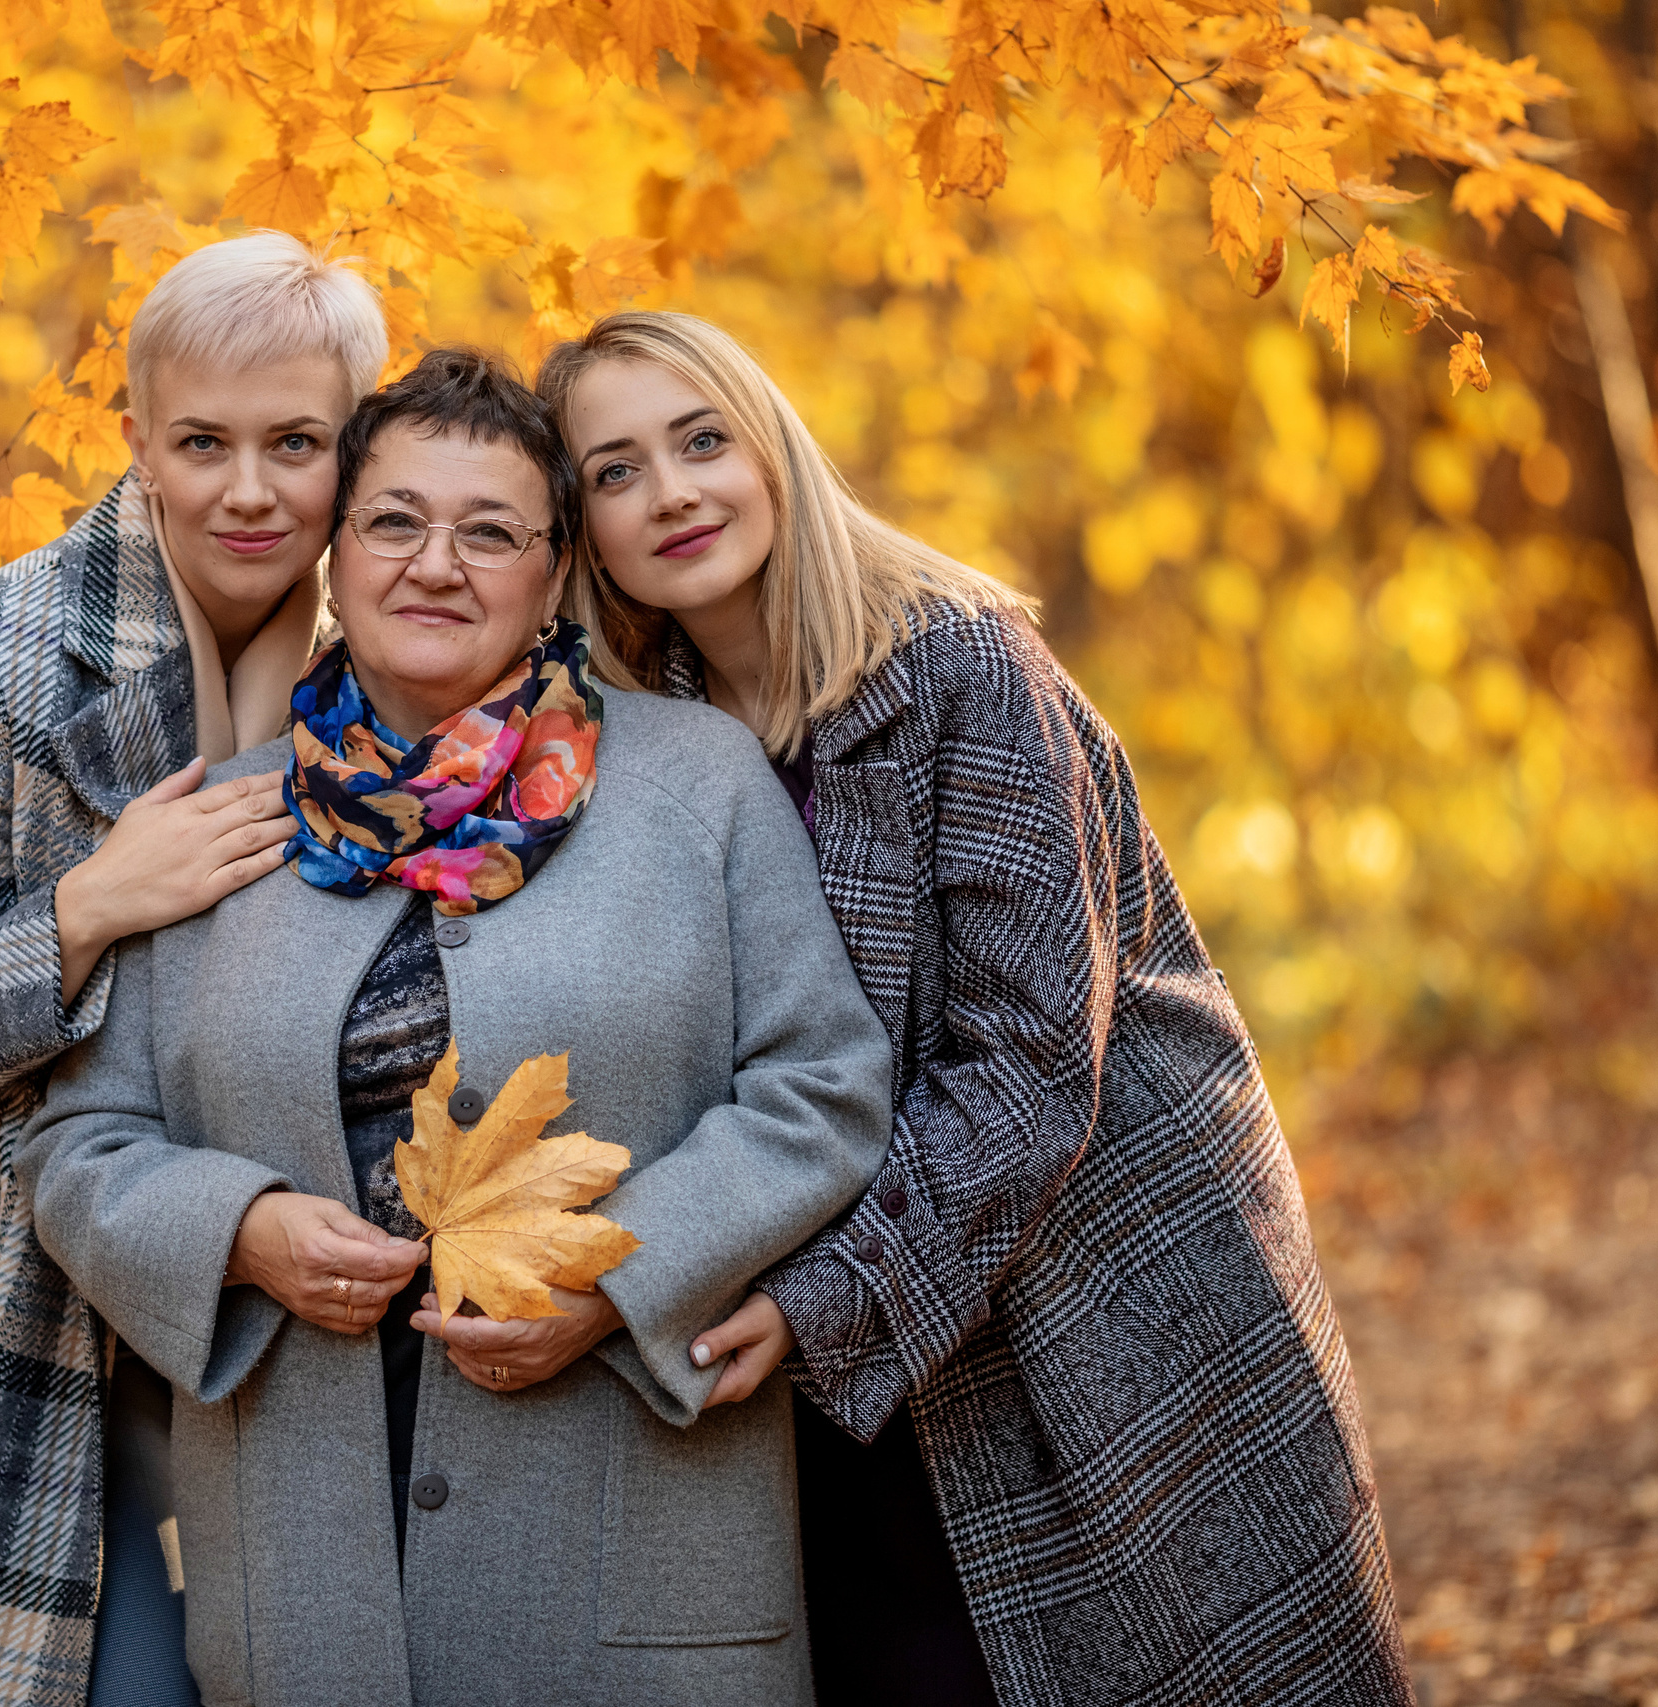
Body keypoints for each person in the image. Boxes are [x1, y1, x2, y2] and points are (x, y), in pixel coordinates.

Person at [537, 311, 1413, 1707]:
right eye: (618, 471)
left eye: (702, 439)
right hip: (844, 1312)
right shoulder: (642, 728)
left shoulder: (961, 668)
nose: (675, 492)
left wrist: (826, 1298)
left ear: (772, 445)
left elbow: (1028, 1072)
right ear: (583, 529)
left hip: (1094, 1293)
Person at [14, 348, 895, 1707]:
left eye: (491, 532)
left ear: (554, 574)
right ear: (334, 553)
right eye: (397, 522)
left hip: (639, 1544)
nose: (439, 565)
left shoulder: (698, 783)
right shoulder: (216, 822)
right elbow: (80, 1145)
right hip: (303, 1552)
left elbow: (823, 1089)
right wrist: (239, 1233)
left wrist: (614, 1280)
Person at [0, 231, 388, 1707]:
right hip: (43, 1338)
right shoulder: (3, 653)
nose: (250, 490)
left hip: (313, 1335)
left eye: (298, 444)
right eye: (202, 442)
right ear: (136, 438)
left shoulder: (395, 661)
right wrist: (83, 909)